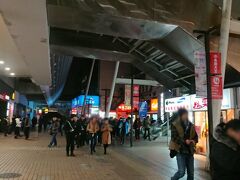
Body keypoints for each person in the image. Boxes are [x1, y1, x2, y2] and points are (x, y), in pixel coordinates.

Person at [170, 108, 198, 180]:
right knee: (181, 172)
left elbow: (196, 136)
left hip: (190, 151)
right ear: (180, 115)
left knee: (191, 173)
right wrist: (185, 141)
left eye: (187, 114)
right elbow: (174, 137)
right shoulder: (175, 124)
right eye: (184, 114)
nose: (186, 116)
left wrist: (193, 141)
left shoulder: (191, 125)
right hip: (180, 151)